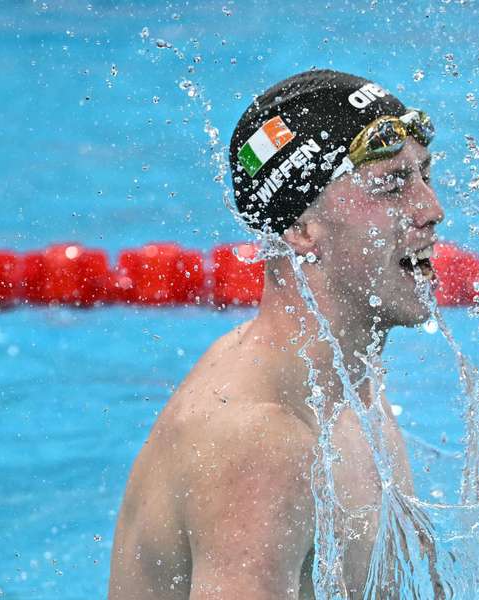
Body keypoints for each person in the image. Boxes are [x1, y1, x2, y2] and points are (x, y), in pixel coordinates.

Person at [108, 69, 444, 599]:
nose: (430, 209)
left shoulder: (350, 383)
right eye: (391, 184)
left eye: (424, 175)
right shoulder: (263, 445)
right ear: (300, 227)